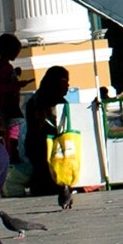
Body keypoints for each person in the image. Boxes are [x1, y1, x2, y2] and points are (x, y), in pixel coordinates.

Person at [25, 67, 73, 206]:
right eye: (65, 81)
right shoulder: (53, 103)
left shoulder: (36, 99)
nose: (68, 85)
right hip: (45, 148)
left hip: (36, 148)